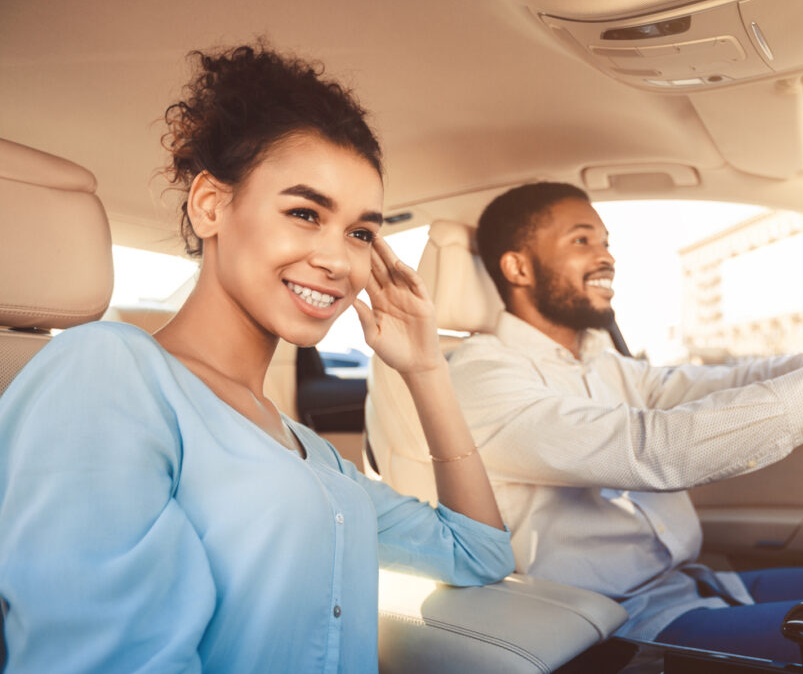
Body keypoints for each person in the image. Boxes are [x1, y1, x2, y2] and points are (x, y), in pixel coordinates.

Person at [0, 44, 513, 673]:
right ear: (211, 206)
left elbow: (479, 552)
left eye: (360, 233)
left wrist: (426, 369)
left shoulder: (308, 451)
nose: (338, 260)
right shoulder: (107, 372)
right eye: (304, 213)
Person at [446, 181, 803, 673]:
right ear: (517, 266)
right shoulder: (481, 379)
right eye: (581, 241)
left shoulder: (601, 359)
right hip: (616, 629)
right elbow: (655, 450)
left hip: (692, 584)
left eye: (605, 242)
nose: (606, 257)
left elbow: (729, 382)